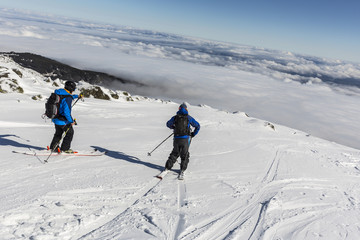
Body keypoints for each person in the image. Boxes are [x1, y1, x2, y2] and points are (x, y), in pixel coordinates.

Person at [165, 103, 200, 177]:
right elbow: (198, 126)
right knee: (185, 154)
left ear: (179, 109)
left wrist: (173, 127)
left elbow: (168, 124)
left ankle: (168, 167)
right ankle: (182, 169)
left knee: (175, 153)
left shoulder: (175, 117)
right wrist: (193, 134)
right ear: (186, 109)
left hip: (176, 138)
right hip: (185, 139)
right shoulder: (189, 117)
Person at [49, 80, 81, 153]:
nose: (73, 90)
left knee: (58, 133)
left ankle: (53, 147)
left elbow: (68, 97)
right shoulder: (67, 98)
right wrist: (71, 121)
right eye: (73, 89)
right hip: (63, 120)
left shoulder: (59, 93)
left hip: (55, 117)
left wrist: (77, 96)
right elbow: (67, 112)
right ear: (71, 88)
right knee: (70, 133)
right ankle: (65, 149)